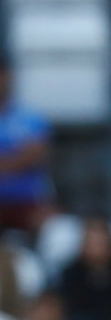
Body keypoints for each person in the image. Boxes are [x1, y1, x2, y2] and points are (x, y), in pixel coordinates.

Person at [0, 60, 52, 235]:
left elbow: (36, 154)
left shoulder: (30, 117)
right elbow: (26, 156)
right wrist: (18, 157)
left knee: (56, 230)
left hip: (27, 204)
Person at [59, 217, 111, 320]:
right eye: (93, 243)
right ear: (84, 245)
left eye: (101, 243)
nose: (98, 248)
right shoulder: (70, 276)